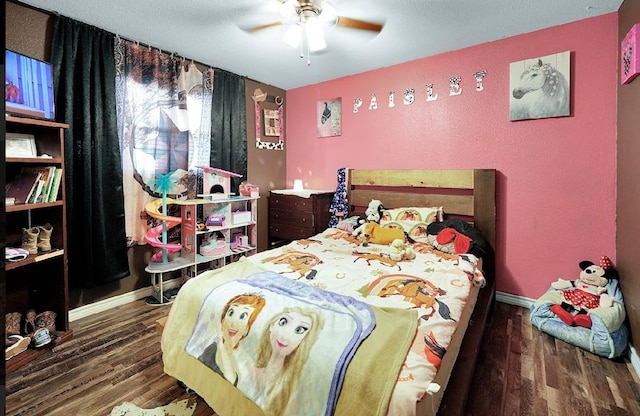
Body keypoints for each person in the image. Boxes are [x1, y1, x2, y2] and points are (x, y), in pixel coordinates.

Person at [253, 307, 324, 415]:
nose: (284, 336)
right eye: (283, 322)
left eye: (299, 330)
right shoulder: (252, 371)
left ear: (303, 342)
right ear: (272, 326)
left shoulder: (290, 391)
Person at [198, 293, 265, 386]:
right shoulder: (211, 349)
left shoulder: (246, 361)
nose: (233, 322)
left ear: (247, 329)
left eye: (242, 316)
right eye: (231, 313)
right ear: (223, 320)